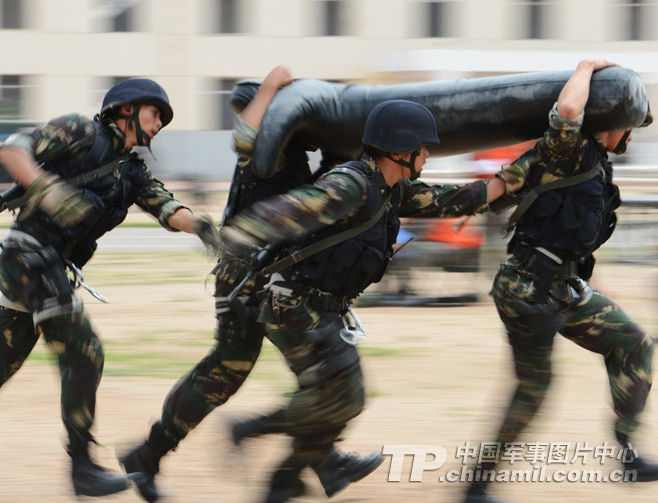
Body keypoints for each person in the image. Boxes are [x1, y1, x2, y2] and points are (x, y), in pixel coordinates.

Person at [0, 78, 219, 500]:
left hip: (51, 270)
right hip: (28, 258)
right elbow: (11, 149)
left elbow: (167, 207)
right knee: (84, 350)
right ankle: (81, 467)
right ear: (126, 108)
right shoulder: (79, 131)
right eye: (155, 114)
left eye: (164, 121)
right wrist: (48, 189)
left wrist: (204, 226)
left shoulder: (132, 171)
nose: (159, 125)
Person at [219, 99, 525, 503]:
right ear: (400, 150)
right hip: (293, 306)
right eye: (424, 147)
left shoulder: (391, 189)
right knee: (344, 395)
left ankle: (289, 478)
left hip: (319, 308)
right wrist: (244, 231)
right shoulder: (352, 184)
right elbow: (297, 206)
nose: (429, 154)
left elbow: (452, 200)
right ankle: (256, 436)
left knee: (340, 398)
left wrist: (513, 178)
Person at [463, 59, 658, 503]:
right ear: (613, 121)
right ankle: (477, 484)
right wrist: (586, 66)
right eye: (630, 125)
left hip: (562, 288)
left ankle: (629, 455)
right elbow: (567, 112)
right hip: (527, 288)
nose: (632, 135)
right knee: (534, 389)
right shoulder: (570, 149)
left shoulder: (595, 162)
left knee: (633, 343)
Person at [118, 65, 318, 503]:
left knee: (290, 369)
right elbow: (245, 135)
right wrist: (269, 88)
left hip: (269, 279)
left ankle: (148, 455)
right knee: (297, 370)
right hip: (247, 279)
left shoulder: (291, 154)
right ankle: (312, 460)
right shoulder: (264, 147)